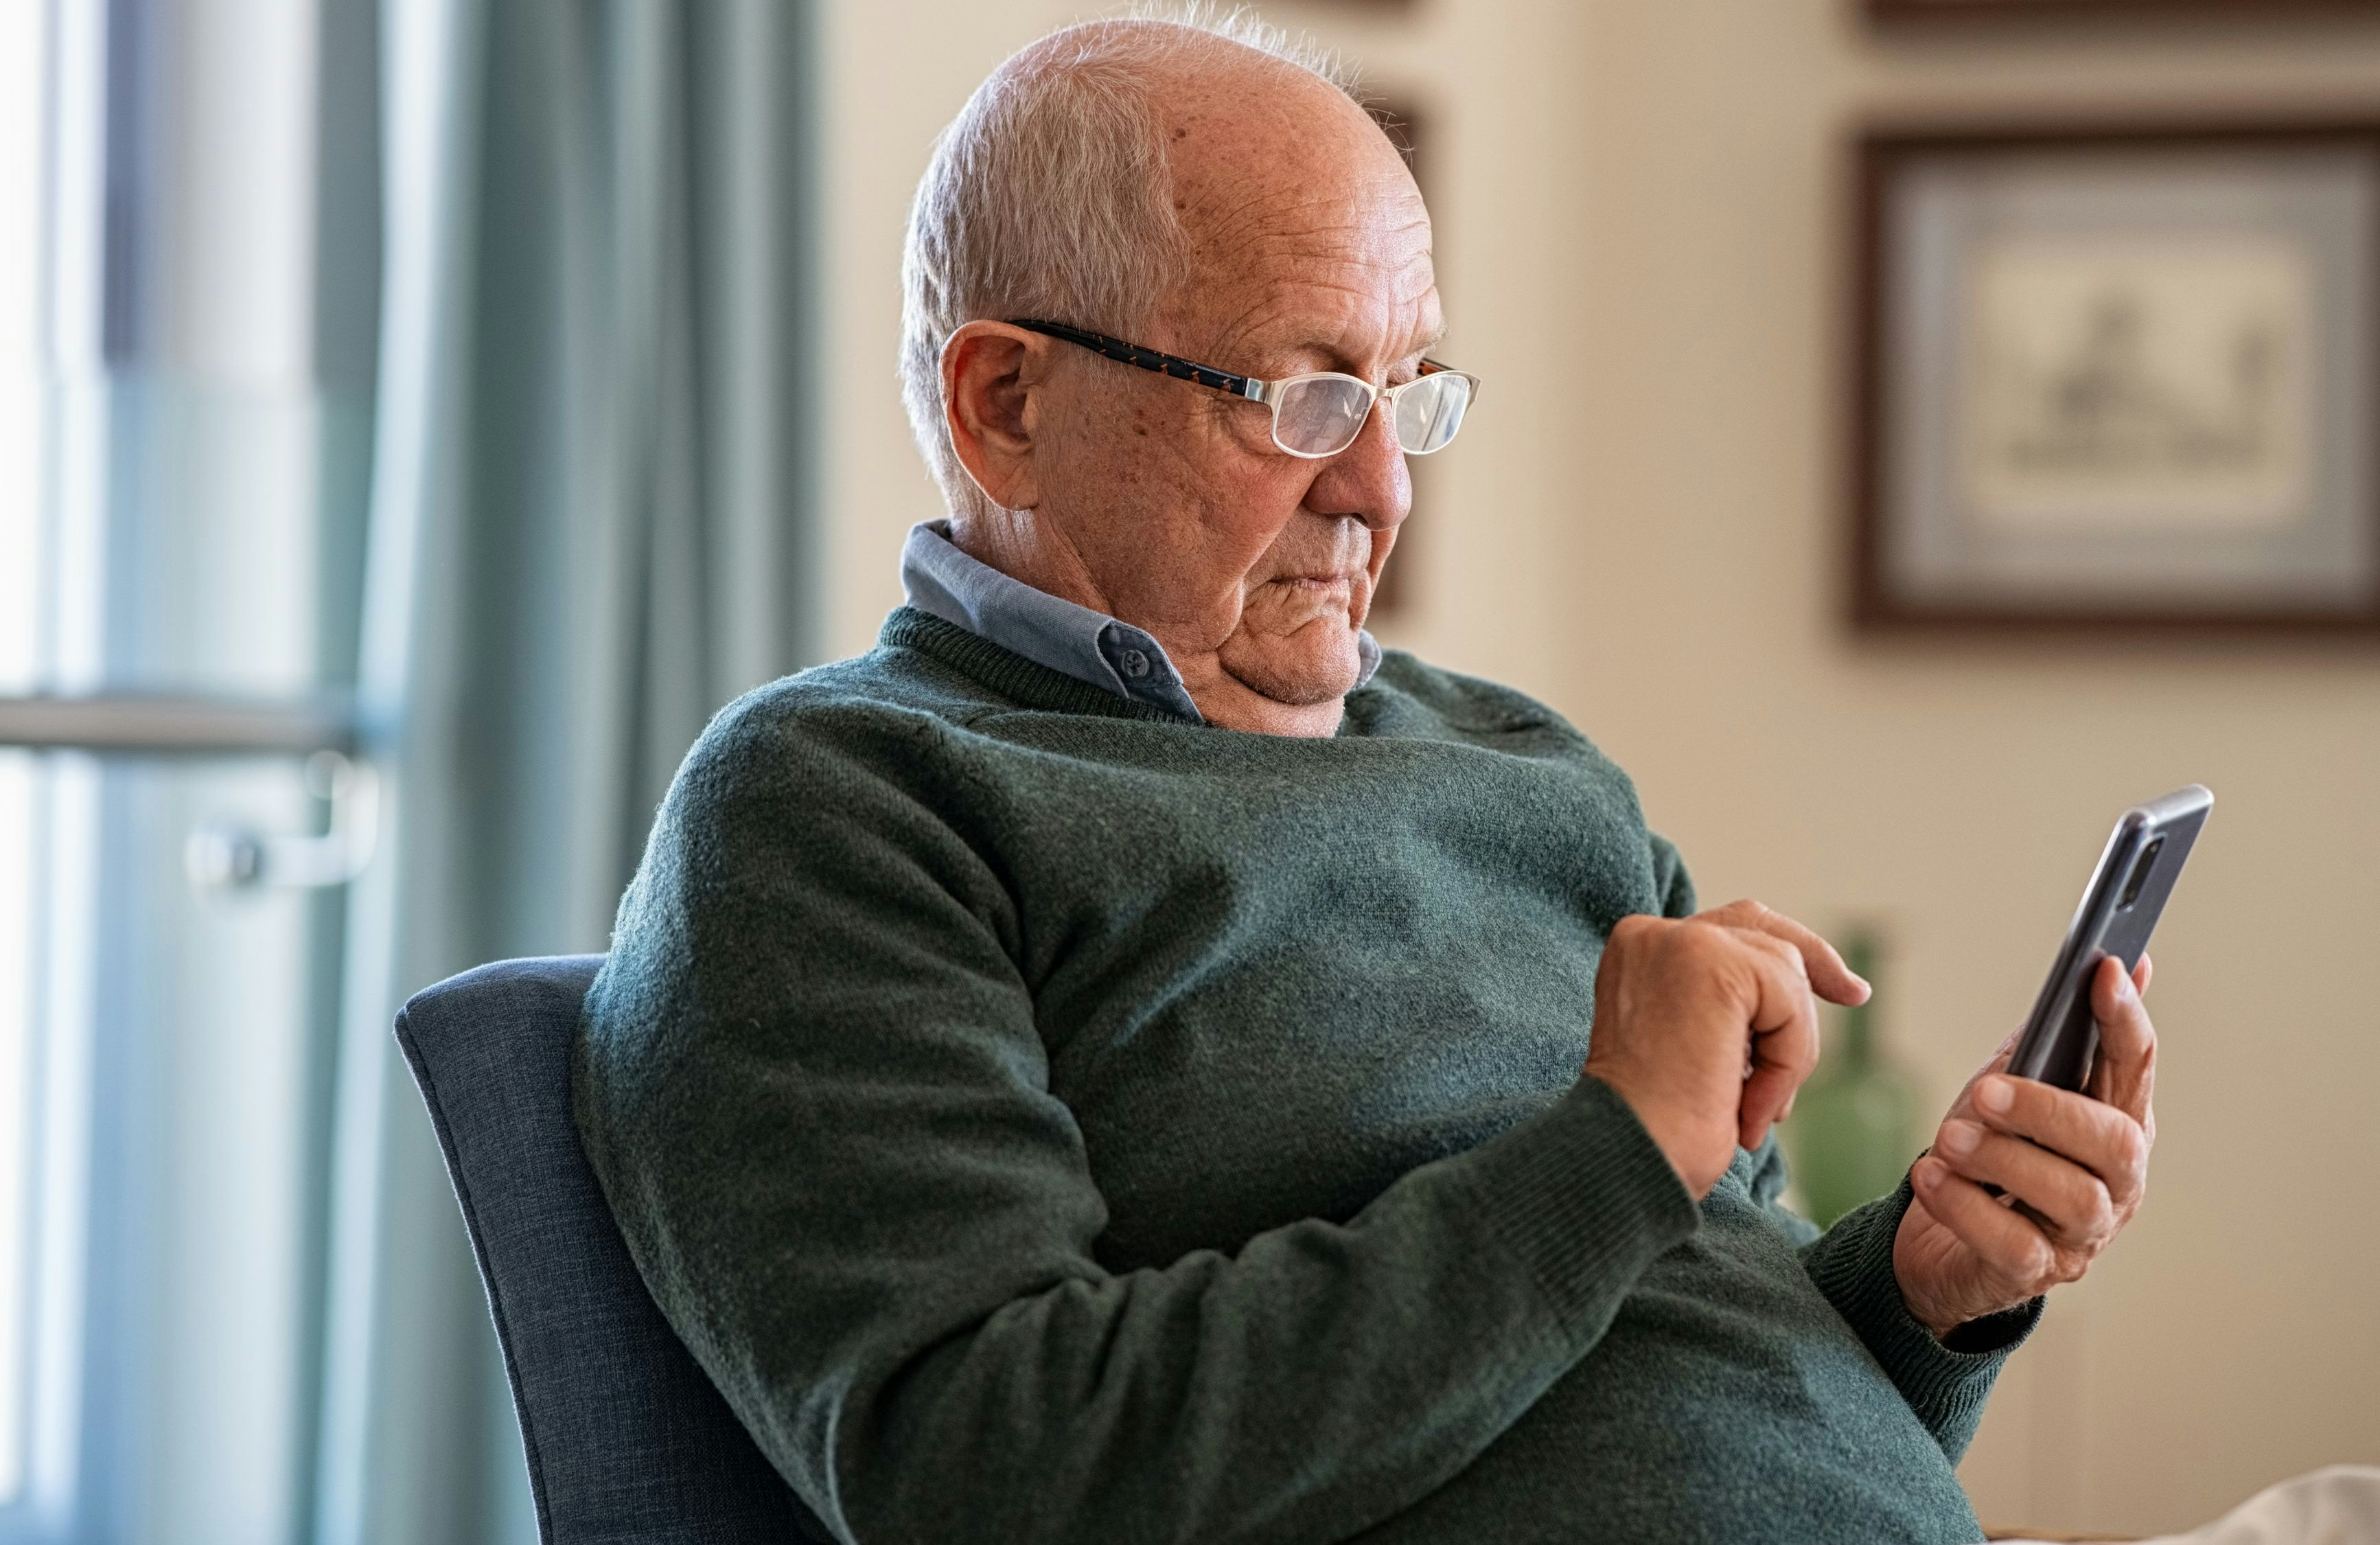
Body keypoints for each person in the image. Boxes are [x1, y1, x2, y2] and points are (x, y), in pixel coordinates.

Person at [573, 14, 2160, 1542]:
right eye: (1305, 397)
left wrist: (1923, 1289)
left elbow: (1697, 1365)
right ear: (1008, 406)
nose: (1381, 488)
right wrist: (1610, 1155)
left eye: (1406, 394)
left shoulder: (1530, 771)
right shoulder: (842, 808)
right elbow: (984, 1473)